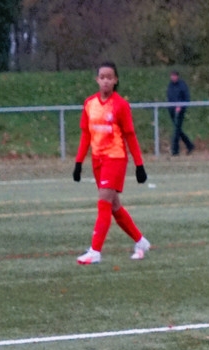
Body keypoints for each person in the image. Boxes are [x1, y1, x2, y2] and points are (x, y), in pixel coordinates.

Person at [72, 61, 151, 265]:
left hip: (115, 158)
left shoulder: (120, 105)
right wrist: (78, 162)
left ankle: (95, 251)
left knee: (104, 203)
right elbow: (86, 135)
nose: (106, 81)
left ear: (115, 80)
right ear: (97, 80)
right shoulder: (89, 103)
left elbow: (130, 135)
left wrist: (139, 165)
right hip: (97, 160)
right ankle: (141, 241)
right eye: (102, 77)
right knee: (114, 206)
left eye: (110, 77)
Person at [166, 71, 195, 156]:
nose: (173, 77)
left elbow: (186, 98)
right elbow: (169, 97)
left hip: (180, 111)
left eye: (174, 76)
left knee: (176, 130)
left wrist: (180, 106)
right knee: (178, 129)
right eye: (172, 76)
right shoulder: (170, 85)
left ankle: (175, 150)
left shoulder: (182, 85)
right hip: (172, 110)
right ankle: (189, 145)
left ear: (177, 76)